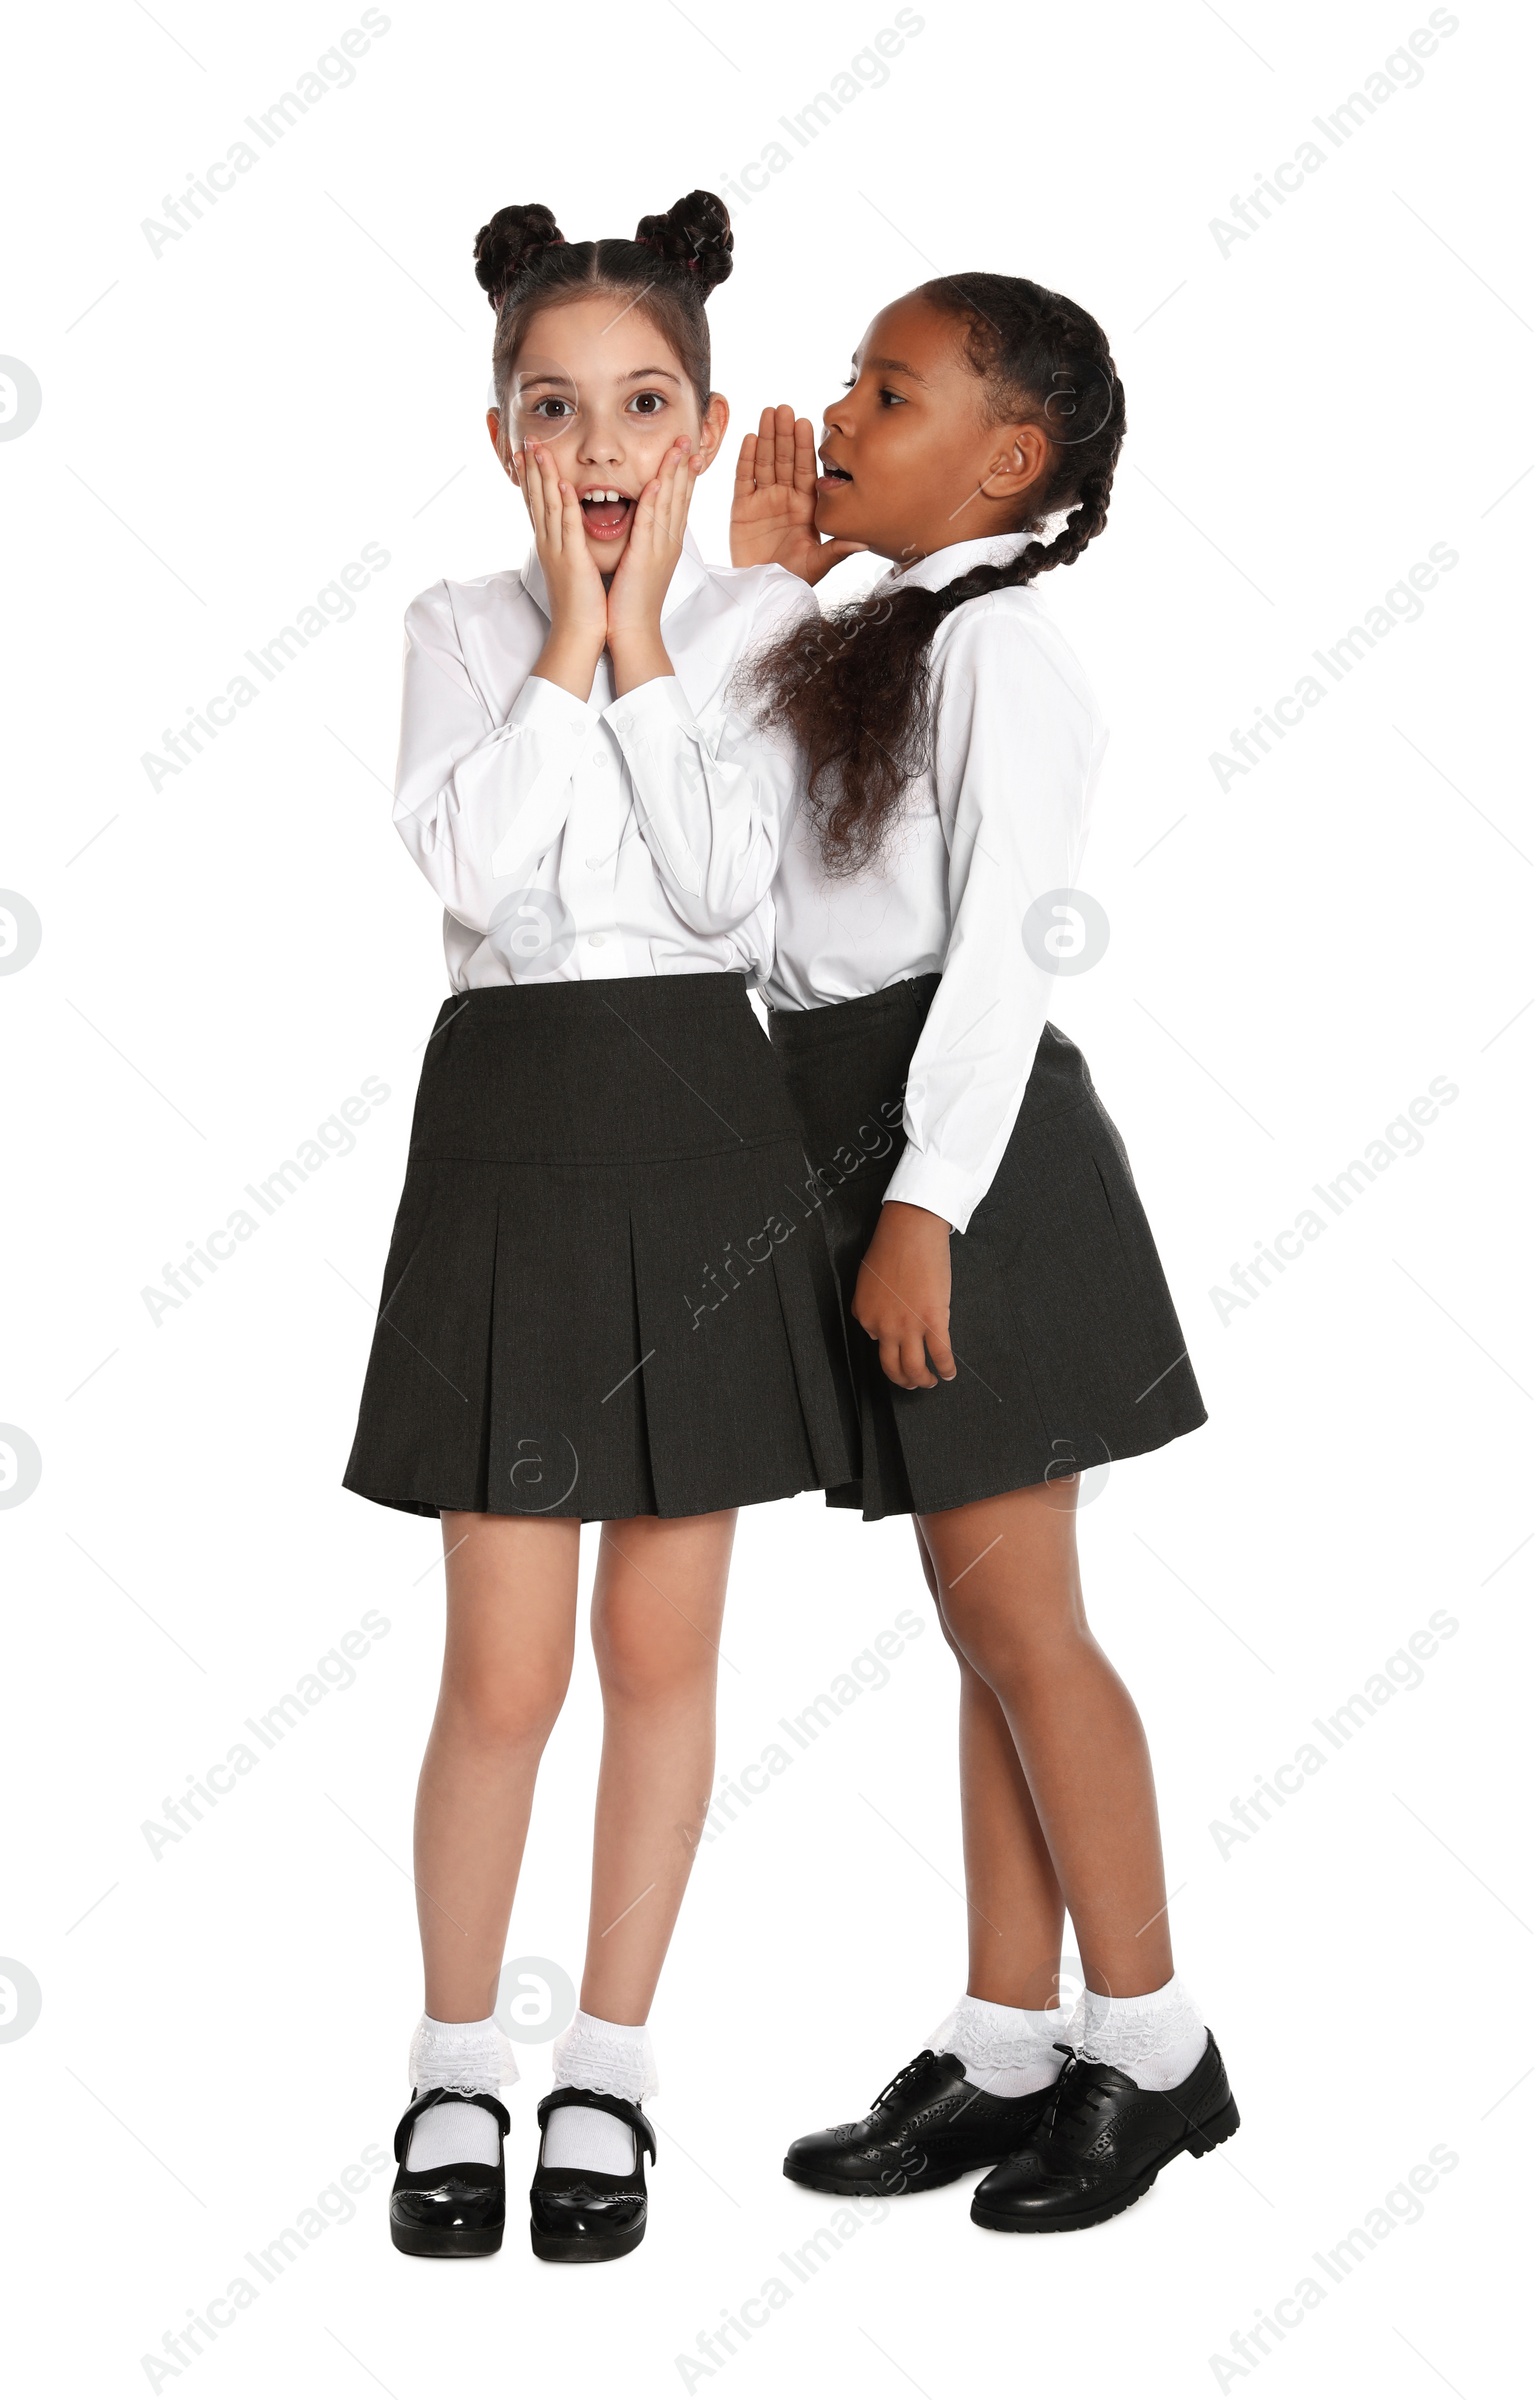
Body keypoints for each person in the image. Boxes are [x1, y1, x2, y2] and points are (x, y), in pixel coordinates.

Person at [343, 191, 854, 2264]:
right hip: (514, 1129)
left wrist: (647, 637)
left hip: (700, 1136)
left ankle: (612, 2077)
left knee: (664, 1648)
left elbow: (734, 896)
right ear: (503, 441)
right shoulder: (454, 631)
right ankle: (457, 2062)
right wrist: (566, 633)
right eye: (558, 409)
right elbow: (470, 866)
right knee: (500, 1670)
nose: (608, 444)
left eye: (644, 403)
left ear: (699, 415)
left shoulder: (753, 632)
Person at [724, 275, 1237, 2233]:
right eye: (851, 379)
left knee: (1025, 1627)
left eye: (890, 390)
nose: (838, 412)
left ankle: (1162, 2054)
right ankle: (1011, 2041)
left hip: (970, 1157)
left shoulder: (1003, 649)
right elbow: (753, 869)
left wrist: (922, 1206)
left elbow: (1009, 939)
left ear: (1006, 461)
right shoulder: (881, 637)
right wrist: (767, 580)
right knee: (983, 1626)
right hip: (862, 1127)